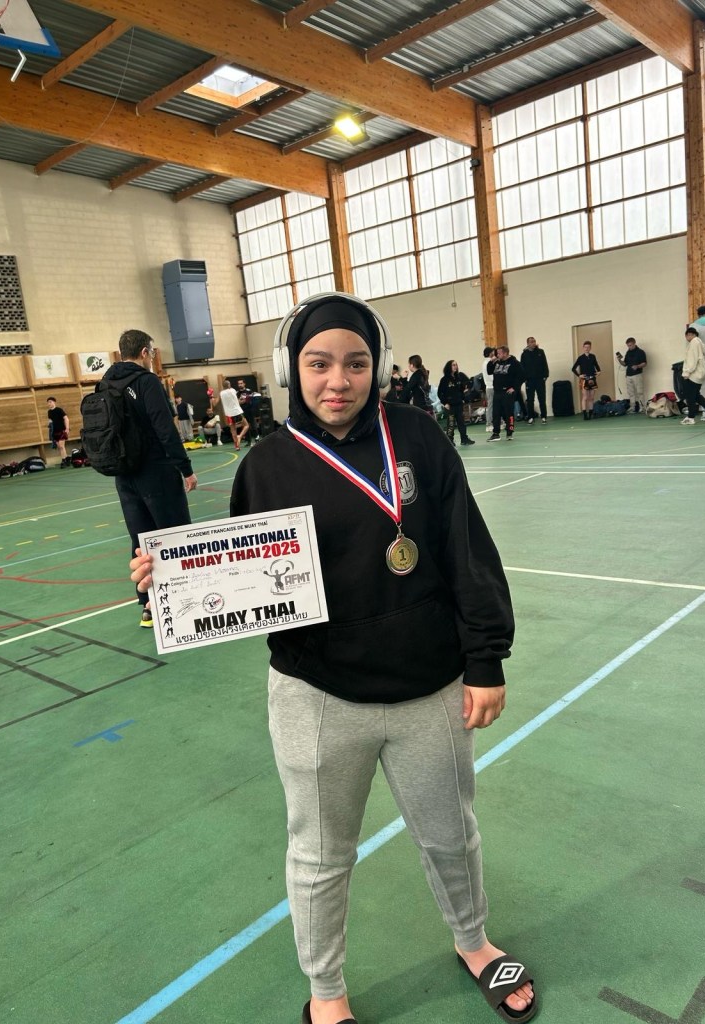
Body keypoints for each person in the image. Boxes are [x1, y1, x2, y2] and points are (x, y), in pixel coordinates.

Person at [130, 293, 537, 1024]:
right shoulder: (266, 464)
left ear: (377, 366)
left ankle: (474, 942)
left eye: (355, 363)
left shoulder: (418, 435)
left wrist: (486, 658)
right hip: (316, 696)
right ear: (294, 369)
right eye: (319, 364)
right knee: (320, 858)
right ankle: (327, 994)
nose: (338, 381)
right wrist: (174, 579)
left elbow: (466, 547)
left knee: (452, 835)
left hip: (429, 688)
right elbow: (238, 574)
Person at [107, 329, 197, 626]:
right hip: (156, 471)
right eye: (152, 351)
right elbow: (165, 428)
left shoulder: (105, 382)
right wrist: (185, 468)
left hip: (124, 475)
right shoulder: (147, 381)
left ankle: (148, 604)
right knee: (175, 535)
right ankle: (184, 600)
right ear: (145, 352)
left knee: (140, 539)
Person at [681, 327, 705, 425]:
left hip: (693, 373)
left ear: (689, 334)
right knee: (696, 395)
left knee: (690, 396)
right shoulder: (700, 343)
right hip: (700, 372)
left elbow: (692, 359)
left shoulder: (694, 343)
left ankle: (691, 417)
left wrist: (687, 372)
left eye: (687, 335)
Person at [487, 345, 523, 441]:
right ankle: (496, 433)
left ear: (505, 353)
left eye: (499, 353)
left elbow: (522, 376)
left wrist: (514, 388)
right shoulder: (497, 362)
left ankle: (509, 432)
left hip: (507, 392)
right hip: (497, 391)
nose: (497, 355)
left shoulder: (514, 363)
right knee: (496, 413)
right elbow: (489, 371)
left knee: (508, 413)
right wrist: (491, 361)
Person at [438, 359, 475, 446]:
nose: (455, 367)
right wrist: (445, 403)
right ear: (449, 367)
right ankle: (450, 441)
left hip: (459, 404)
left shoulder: (458, 378)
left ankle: (464, 439)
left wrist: (463, 398)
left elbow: (461, 390)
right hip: (450, 406)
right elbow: (440, 393)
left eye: (456, 365)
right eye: (453, 365)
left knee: (462, 423)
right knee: (451, 424)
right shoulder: (444, 380)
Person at [519, 337, 549, 423]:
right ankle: (530, 417)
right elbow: (522, 367)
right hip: (529, 380)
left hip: (540, 379)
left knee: (542, 398)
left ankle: (544, 416)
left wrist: (545, 375)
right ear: (528, 344)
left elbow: (545, 363)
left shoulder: (540, 352)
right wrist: (524, 379)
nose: (533, 343)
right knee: (530, 399)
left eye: (534, 341)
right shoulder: (524, 354)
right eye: (531, 342)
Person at [616, 337, 647, 413]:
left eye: (630, 345)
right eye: (628, 345)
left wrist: (637, 366)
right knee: (631, 393)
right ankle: (632, 407)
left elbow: (644, 363)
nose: (629, 347)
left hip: (637, 374)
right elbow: (625, 364)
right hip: (628, 375)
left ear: (634, 343)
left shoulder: (640, 352)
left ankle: (642, 407)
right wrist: (619, 360)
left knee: (639, 392)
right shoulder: (628, 352)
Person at [572, 341, 600, 421]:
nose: (587, 348)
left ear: (590, 348)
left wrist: (599, 372)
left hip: (592, 379)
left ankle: (590, 413)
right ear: (583, 348)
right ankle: (585, 414)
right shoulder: (580, 358)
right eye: (585, 347)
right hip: (584, 379)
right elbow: (573, 368)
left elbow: (597, 366)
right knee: (585, 397)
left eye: (588, 347)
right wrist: (579, 375)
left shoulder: (593, 356)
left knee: (591, 397)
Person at [219, 378, 249, 450]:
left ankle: (237, 446)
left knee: (233, 430)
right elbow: (236, 400)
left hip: (229, 414)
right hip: (237, 412)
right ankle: (240, 436)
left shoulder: (221, 393)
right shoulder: (233, 390)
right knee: (246, 425)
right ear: (229, 385)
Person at [46, 397, 70, 466]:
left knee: (62, 446)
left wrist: (67, 428)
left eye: (50, 402)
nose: (49, 403)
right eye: (48, 402)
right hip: (54, 432)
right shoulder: (49, 412)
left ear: (54, 402)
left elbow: (66, 419)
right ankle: (66, 459)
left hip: (61, 430)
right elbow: (50, 421)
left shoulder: (59, 410)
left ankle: (63, 460)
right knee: (59, 447)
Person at [481, 346, 495, 429]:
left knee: (494, 405)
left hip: (490, 386)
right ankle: (489, 424)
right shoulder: (488, 363)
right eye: (492, 352)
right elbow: (491, 376)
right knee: (491, 406)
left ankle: (496, 422)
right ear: (490, 353)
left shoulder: (485, 362)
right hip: (491, 386)